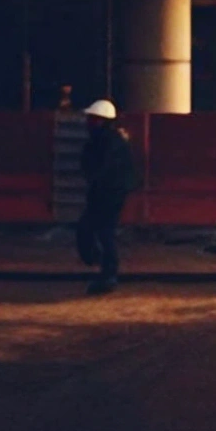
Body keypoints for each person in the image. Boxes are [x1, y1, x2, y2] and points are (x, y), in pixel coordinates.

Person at [76, 99, 137, 295]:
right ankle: (105, 270)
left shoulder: (106, 141)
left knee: (101, 231)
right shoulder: (112, 140)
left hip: (107, 193)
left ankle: (107, 272)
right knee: (100, 231)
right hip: (110, 192)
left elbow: (99, 167)